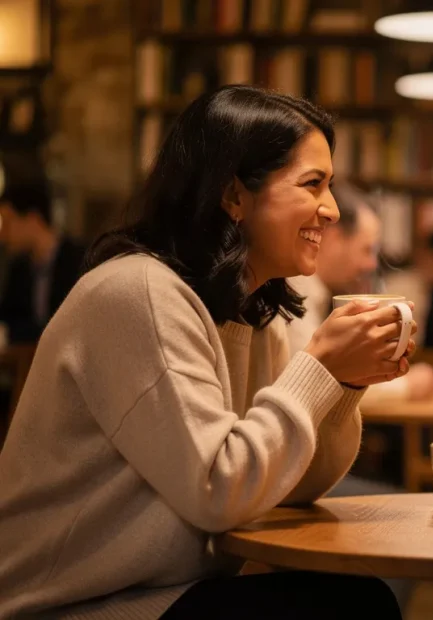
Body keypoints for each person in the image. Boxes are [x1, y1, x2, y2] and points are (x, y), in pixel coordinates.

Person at [0, 85, 410, 619]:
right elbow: (217, 490)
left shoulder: (254, 307)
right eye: (314, 184)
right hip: (76, 604)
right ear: (233, 195)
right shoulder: (140, 293)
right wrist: (320, 368)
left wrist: (344, 385)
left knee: (359, 595)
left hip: (164, 589)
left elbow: (286, 486)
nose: (331, 210)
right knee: (352, 605)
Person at [286, 184, 433, 402]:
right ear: (334, 239)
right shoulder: (293, 291)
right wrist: (407, 386)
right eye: (366, 250)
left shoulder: (315, 291)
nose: (370, 265)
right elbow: (310, 386)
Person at [0, 181, 86, 343]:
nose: (2, 235)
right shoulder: (19, 269)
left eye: (8, 223)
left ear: (33, 220)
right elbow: (7, 322)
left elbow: (75, 326)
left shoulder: (78, 260)